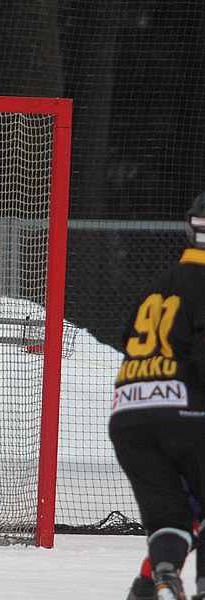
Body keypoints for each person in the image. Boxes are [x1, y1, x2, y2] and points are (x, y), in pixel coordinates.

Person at [111, 191, 205, 600]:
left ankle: (158, 576)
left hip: (129, 415)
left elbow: (128, 341)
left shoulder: (157, 285)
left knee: (172, 517)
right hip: (183, 413)